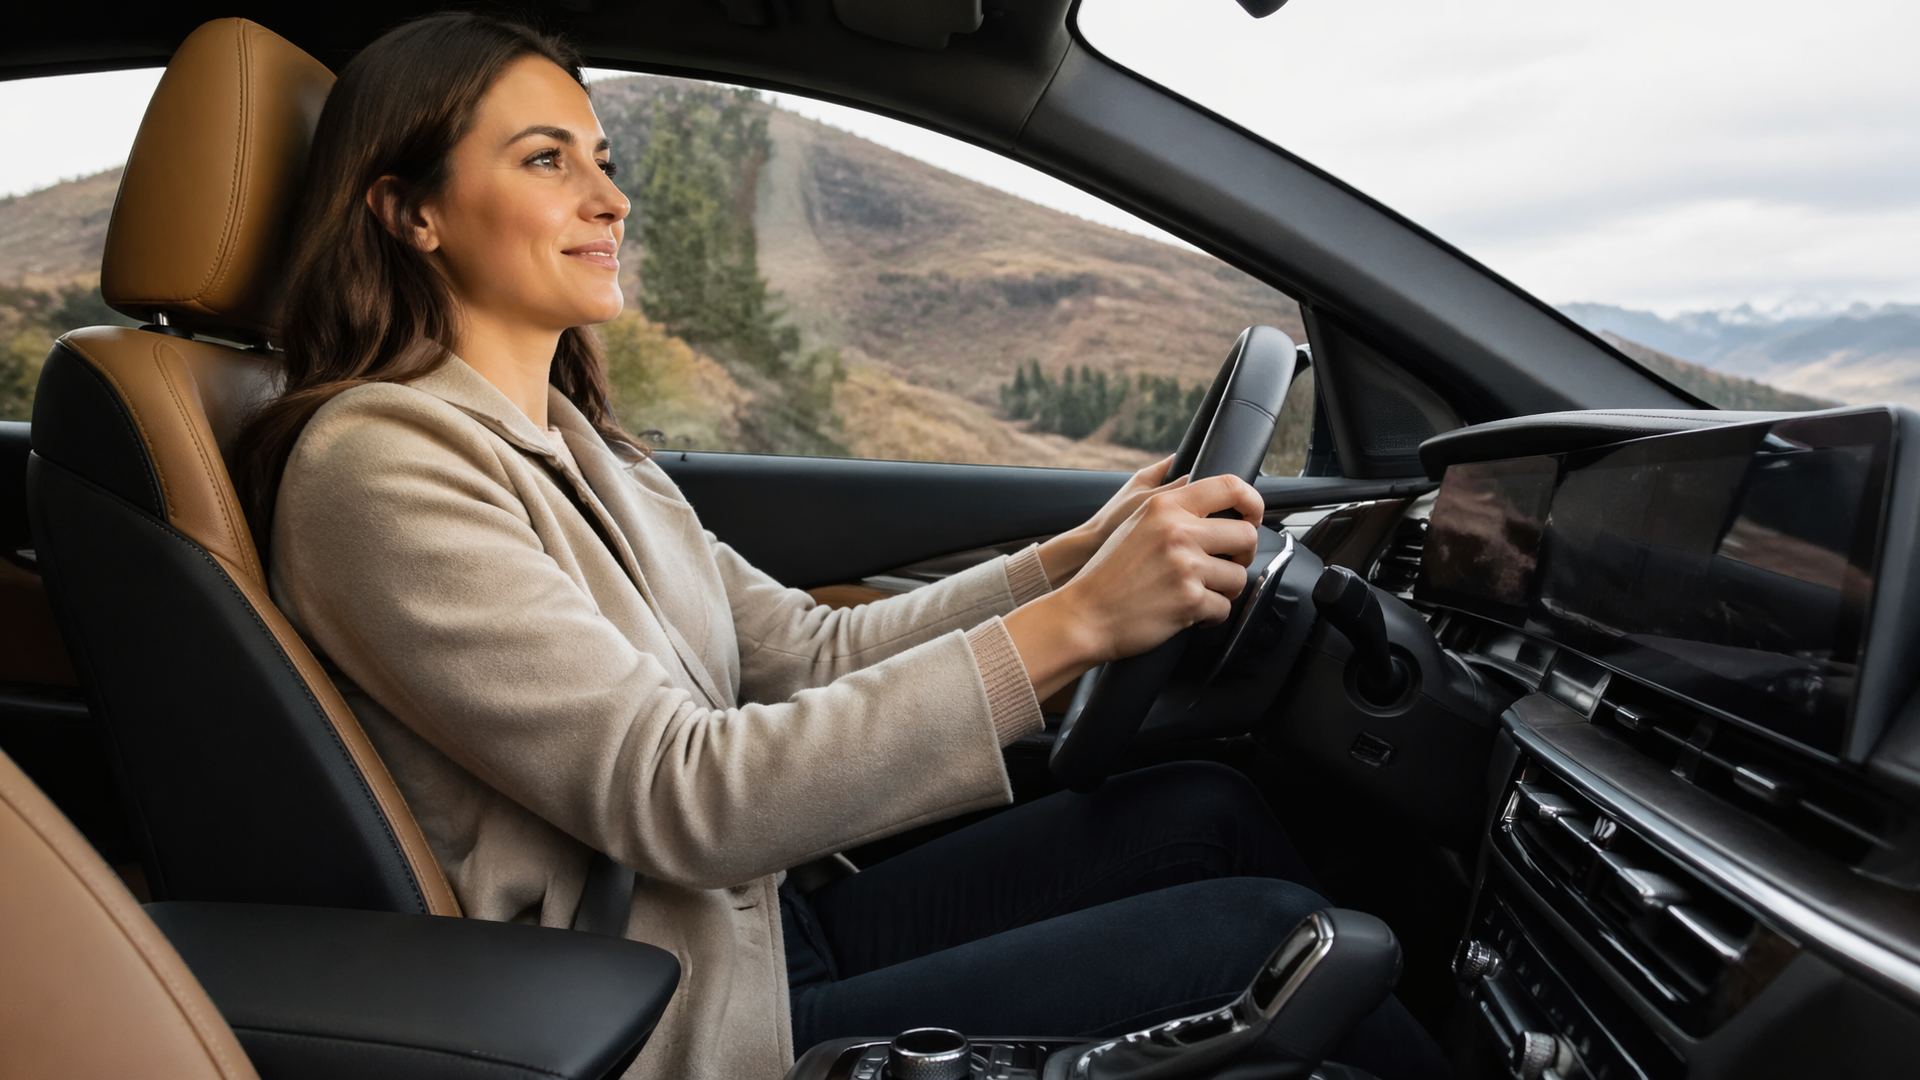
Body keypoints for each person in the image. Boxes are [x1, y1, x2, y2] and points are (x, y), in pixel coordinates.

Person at [236, 13, 1448, 1080]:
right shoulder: (379, 470)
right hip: (676, 1012)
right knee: (1275, 936)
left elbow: (808, 650)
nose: (609, 199)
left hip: (758, 922)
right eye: (546, 161)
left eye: (601, 160)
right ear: (409, 212)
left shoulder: (579, 445)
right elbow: (681, 795)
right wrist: (1073, 629)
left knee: (1204, 810)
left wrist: (1074, 561)